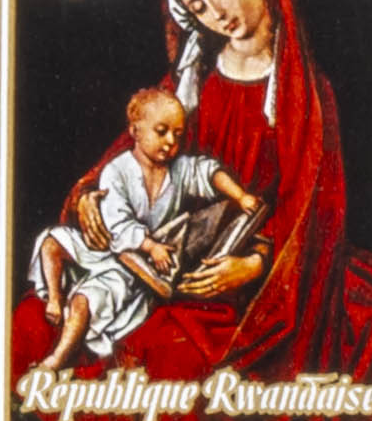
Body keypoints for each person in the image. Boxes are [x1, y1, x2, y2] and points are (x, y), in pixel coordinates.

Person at [11, 0, 372, 408]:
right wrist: (89, 196)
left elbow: (313, 208)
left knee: (169, 356)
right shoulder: (192, 80)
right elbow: (128, 152)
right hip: (168, 257)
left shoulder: (305, 92)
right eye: (198, 7)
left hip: (258, 278)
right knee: (33, 318)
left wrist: (254, 264)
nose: (215, 12)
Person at [27, 86, 257, 376]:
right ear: (135, 131)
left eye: (177, 134)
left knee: (83, 302)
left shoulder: (179, 169)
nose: (171, 142)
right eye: (162, 132)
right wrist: (151, 246)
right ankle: (54, 300)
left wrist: (240, 196)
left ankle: (56, 360)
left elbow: (207, 172)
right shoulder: (116, 171)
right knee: (50, 242)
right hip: (108, 247)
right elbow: (119, 225)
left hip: (129, 267)